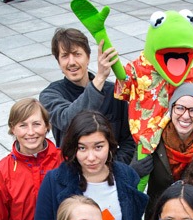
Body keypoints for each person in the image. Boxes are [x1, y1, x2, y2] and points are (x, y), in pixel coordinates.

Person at [39, 28, 135, 165]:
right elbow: (68, 120)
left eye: (77, 54)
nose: (71, 62)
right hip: (72, 174)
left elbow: (129, 140)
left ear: (88, 57)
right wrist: (99, 78)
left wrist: (111, 169)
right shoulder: (50, 94)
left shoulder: (113, 92)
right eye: (65, 56)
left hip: (111, 174)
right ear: (59, 62)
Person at [131, 83, 193, 220]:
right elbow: (134, 191)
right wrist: (133, 172)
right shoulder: (151, 141)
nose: (185, 116)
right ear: (171, 109)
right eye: (180, 108)